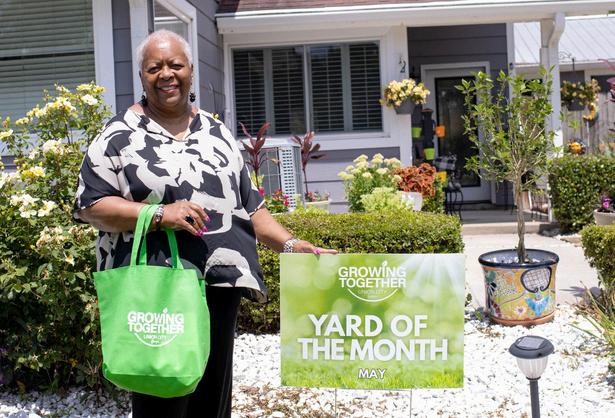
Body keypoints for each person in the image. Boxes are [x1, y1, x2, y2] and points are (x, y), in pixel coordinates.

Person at [73, 29, 336, 418]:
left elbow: (250, 208)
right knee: (162, 396)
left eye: (175, 65)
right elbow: (89, 205)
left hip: (219, 285)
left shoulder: (217, 132)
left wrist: (292, 245)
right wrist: (159, 214)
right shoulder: (118, 135)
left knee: (212, 400)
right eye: (154, 67)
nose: (166, 74)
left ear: (191, 71)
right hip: (158, 288)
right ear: (142, 75)